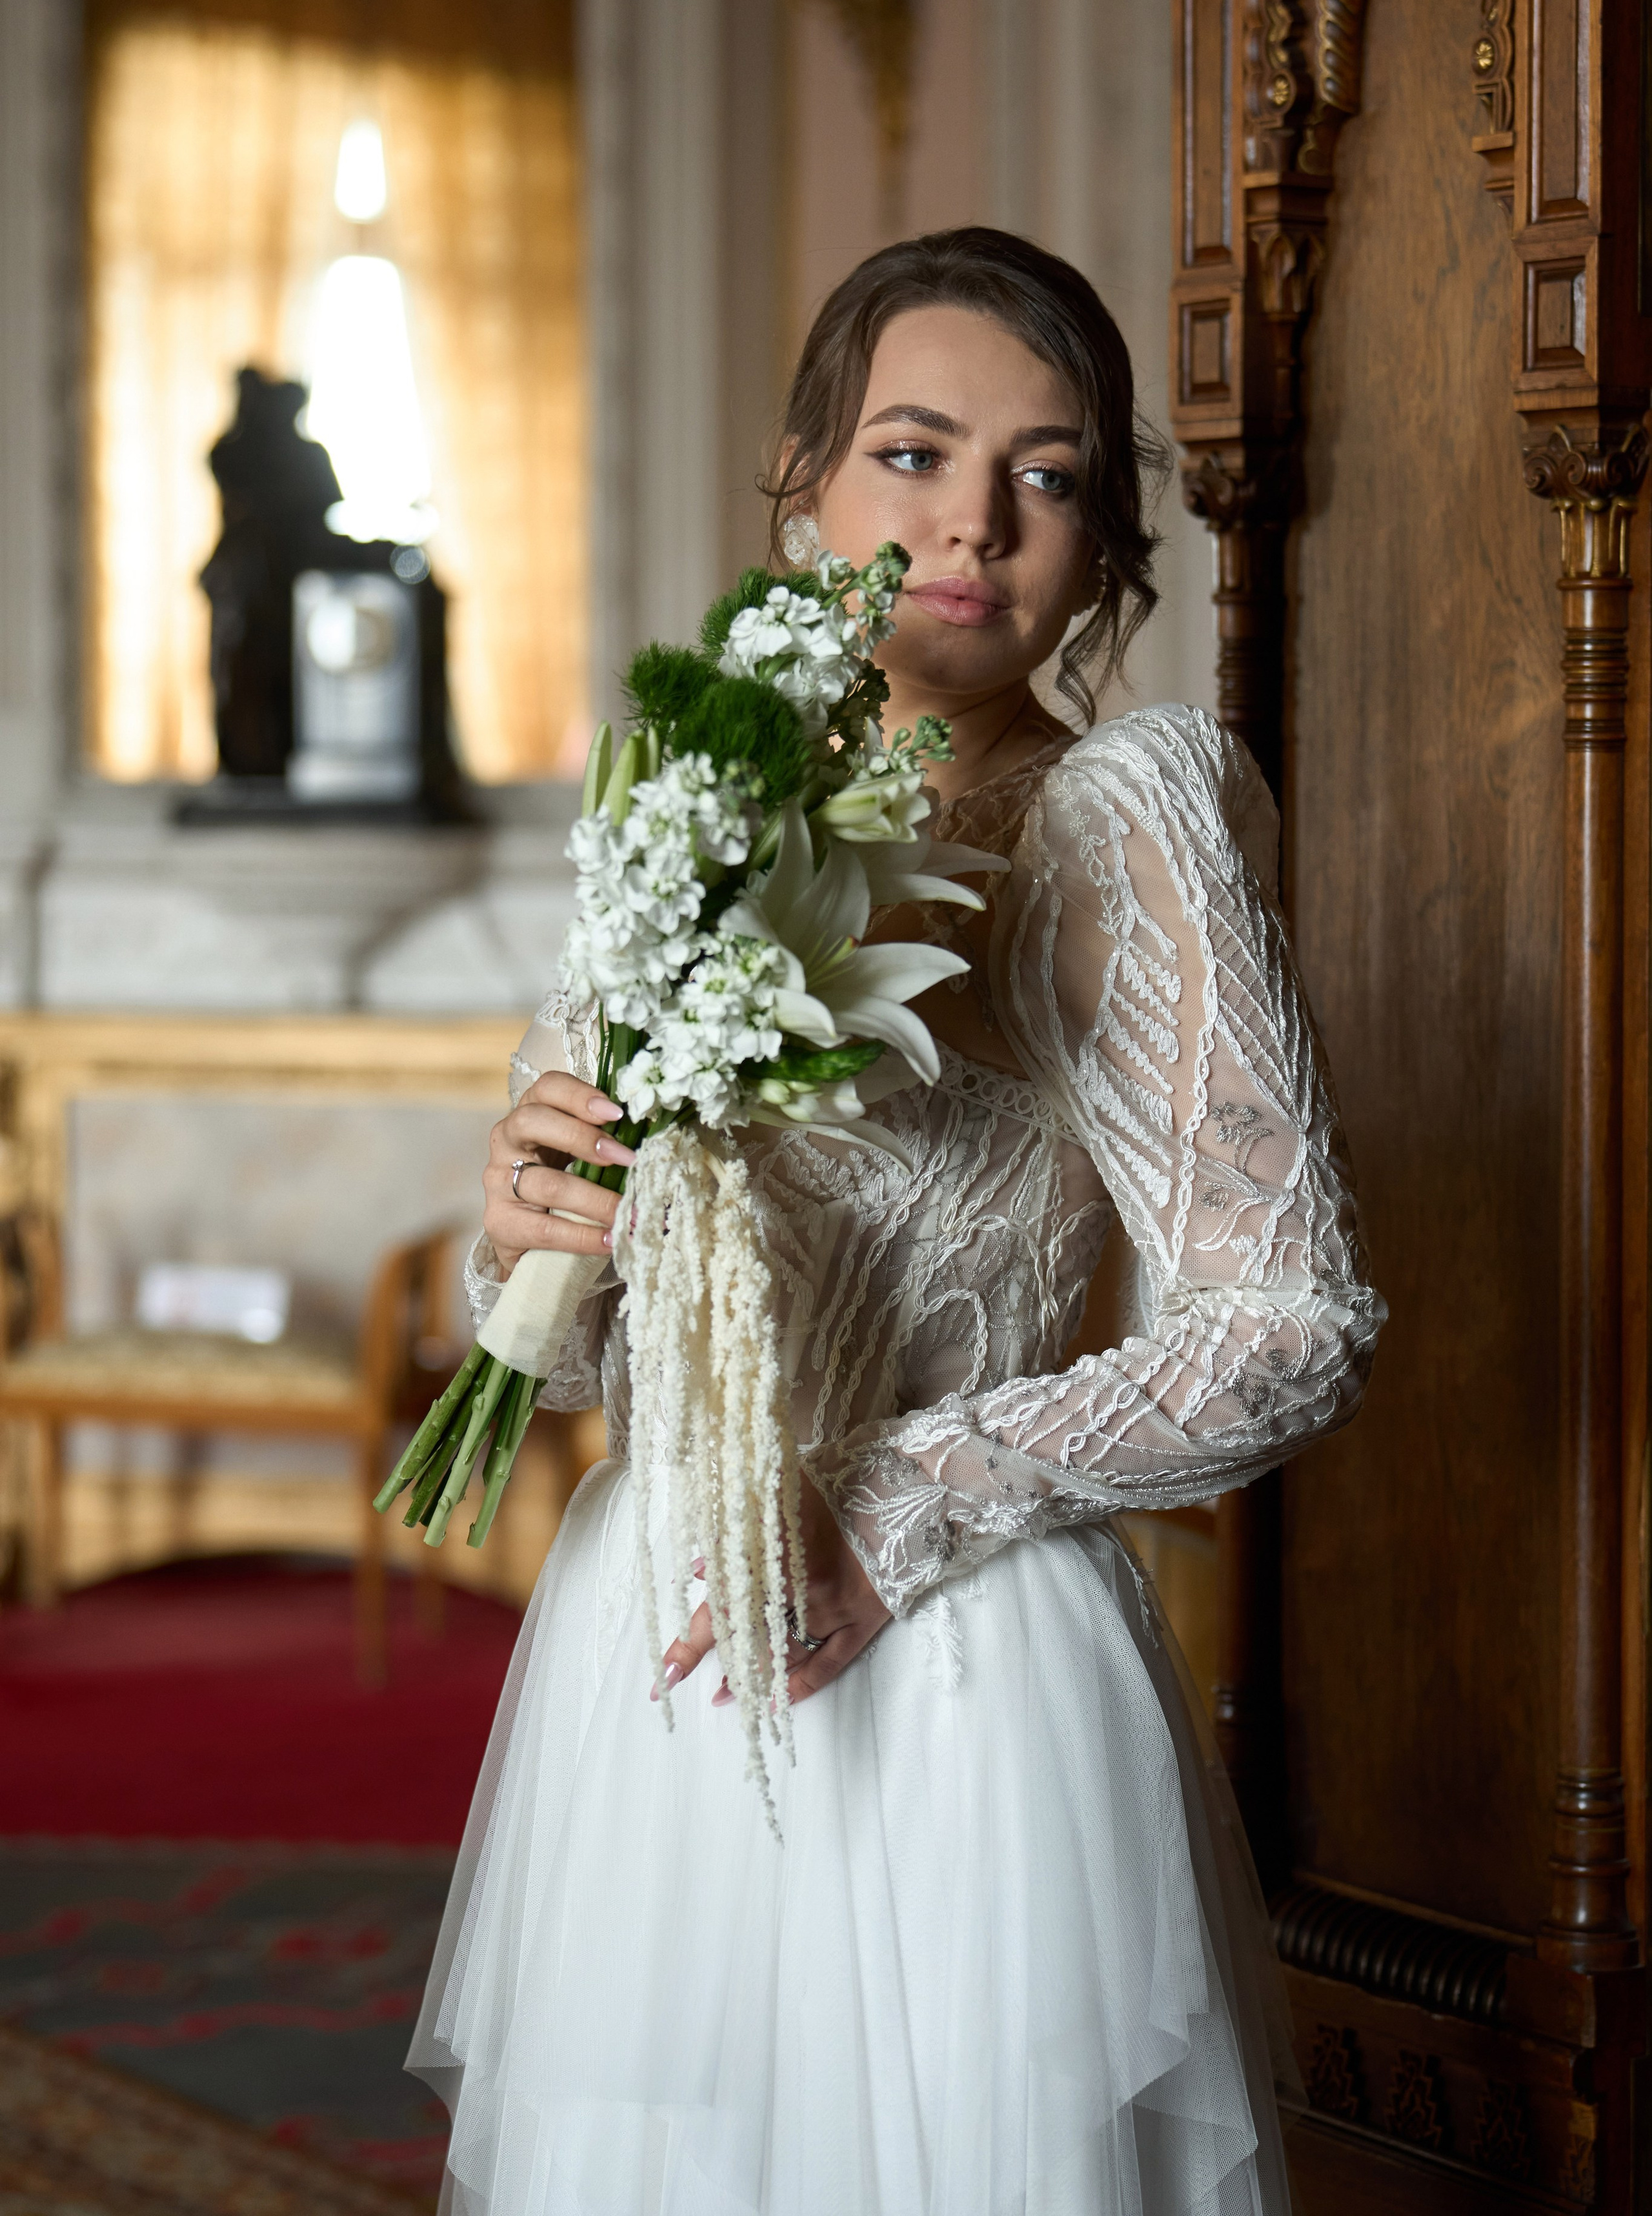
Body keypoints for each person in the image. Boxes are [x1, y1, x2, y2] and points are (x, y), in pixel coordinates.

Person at [410, 228, 1384, 2215]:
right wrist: (522, 1238)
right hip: (656, 1668)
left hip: (942, 1665)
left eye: (1044, 475)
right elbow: (572, 1310)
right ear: (805, 487)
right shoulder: (696, 790)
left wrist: (898, 1500)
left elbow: (1293, 1315)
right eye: (916, 454)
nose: (972, 525)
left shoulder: (1116, 817)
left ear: (1107, 548)